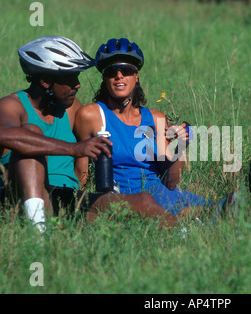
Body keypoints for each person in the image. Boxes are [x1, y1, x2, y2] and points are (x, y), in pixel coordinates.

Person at [0, 36, 178, 232]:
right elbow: (1, 134)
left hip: (66, 198)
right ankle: (37, 235)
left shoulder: (70, 109)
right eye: (70, 79)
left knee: (144, 202)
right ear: (45, 81)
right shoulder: (13, 104)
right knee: (30, 133)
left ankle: (184, 234)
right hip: (19, 196)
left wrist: (173, 135)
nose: (77, 85)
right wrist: (74, 148)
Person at [74, 37, 215, 220]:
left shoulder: (156, 118)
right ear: (104, 77)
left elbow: (171, 182)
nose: (119, 75)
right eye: (111, 71)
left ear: (137, 75)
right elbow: (81, 176)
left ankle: (198, 214)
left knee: (230, 208)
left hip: (166, 195)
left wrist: (181, 144)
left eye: (126, 70)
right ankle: (189, 217)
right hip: (130, 201)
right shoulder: (91, 115)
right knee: (197, 215)